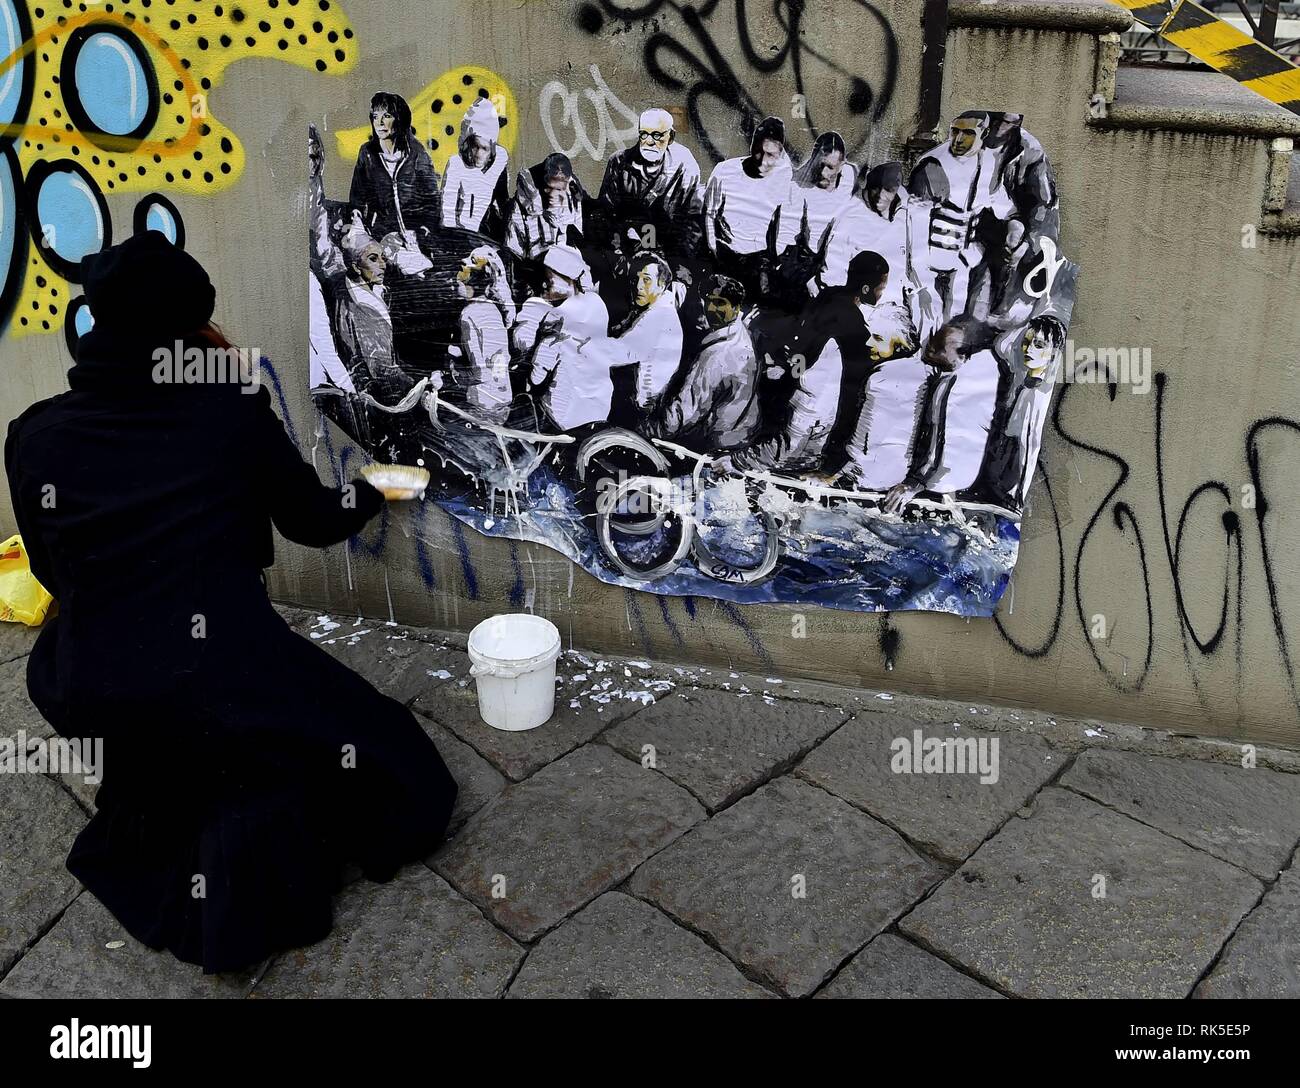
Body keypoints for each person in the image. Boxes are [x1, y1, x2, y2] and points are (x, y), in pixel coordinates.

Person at [4, 231, 459, 975]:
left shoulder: (34, 435)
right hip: (223, 671)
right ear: (186, 330)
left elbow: (56, 574)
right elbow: (311, 519)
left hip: (93, 682)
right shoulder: (227, 408)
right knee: (404, 775)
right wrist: (377, 484)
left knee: (205, 764)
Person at [311, 124, 414, 409]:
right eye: (373, 258)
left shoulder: (366, 288)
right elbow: (381, 369)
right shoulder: (358, 305)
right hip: (377, 396)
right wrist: (420, 386)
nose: (382, 264)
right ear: (355, 266)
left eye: (382, 257)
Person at [881, 316, 1002, 514]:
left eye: (944, 346)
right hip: (957, 486)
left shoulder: (953, 385)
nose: (932, 348)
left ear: (964, 354)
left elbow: (943, 443)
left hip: (938, 487)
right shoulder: (975, 376)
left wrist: (914, 484)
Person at [907, 111, 1015, 323]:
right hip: (930, 259)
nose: (958, 139)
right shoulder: (932, 165)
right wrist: (921, 279)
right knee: (928, 323)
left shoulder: (989, 164)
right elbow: (913, 225)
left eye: (968, 133)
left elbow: (1002, 205)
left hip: (966, 260)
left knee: (956, 328)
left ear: (983, 134)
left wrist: (1014, 226)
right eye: (955, 131)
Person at [517, 244, 617, 433]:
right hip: (599, 405)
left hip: (563, 412)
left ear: (568, 278)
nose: (544, 285)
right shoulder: (597, 303)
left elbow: (539, 370)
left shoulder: (557, 315)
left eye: (548, 280)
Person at [655, 274, 760, 452]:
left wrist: (649, 430)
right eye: (707, 301)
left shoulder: (719, 354)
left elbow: (685, 413)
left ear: (736, 306)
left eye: (720, 303)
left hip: (717, 447)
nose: (711, 309)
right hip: (739, 434)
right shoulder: (741, 333)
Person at [348, 91, 442, 248]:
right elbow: (357, 198)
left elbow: (432, 200)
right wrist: (357, 221)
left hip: (414, 240)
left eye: (387, 116)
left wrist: (423, 231)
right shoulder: (367, 153)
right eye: (375, 116)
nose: (380, 123)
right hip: (379, 237)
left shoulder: (417, 154)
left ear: (399, 119)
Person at [703, 116, 794, 260]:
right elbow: (709, 214)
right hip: (724, 253)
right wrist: (713, 248)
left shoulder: (783, 178)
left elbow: (785, 224)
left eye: (770, 155)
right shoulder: (724, 171)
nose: (763, 160)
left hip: (760, 259)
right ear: (752, 146)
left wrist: (774, 258)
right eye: (760, 151)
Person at [610, 251, 684, 419]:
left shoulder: (656, 318)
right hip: (652, 404)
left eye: (646, 280)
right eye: (635, 279)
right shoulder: (661, 308)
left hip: (645, 412)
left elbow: (614, 354)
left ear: (662, 283)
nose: (638, 286)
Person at [451, 246, 517, 423]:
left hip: (481, 404)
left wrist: (453, 374)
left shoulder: (468, 314)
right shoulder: (492, 309)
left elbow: (480, 372)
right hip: (503, 399)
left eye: (459, 282)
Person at [442, 96, 511, 237]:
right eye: (475, 147)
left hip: (484, 234)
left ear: (492, 149)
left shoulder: (498, 164)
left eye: (484, 148)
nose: (479, 154)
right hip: (457, 236)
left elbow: (503, 202)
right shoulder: (456, 165)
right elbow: (447, 212)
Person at [504, 152, 586, 262]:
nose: (553, 195)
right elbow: (512, 253)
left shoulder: (573, 199)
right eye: (549, 188)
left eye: (559, 189)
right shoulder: (519, 209)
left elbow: (579, 241)